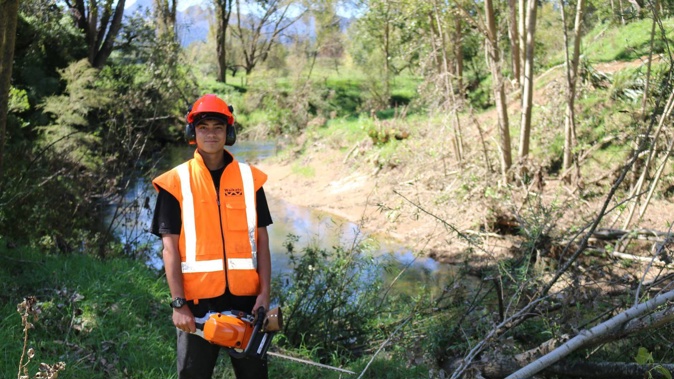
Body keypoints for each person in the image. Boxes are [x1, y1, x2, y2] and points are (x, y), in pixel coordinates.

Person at [150, 94, 272, 379]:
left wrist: (264, 293)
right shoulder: (175, 182)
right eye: (203, 127)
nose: (211, 134)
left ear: (228, 132)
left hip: (247, 305)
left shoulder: (250, 179)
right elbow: (170, 250)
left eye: (218, 127)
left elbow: (263, 242)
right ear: (193, 132)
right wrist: (178, 303)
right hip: (197, 307)